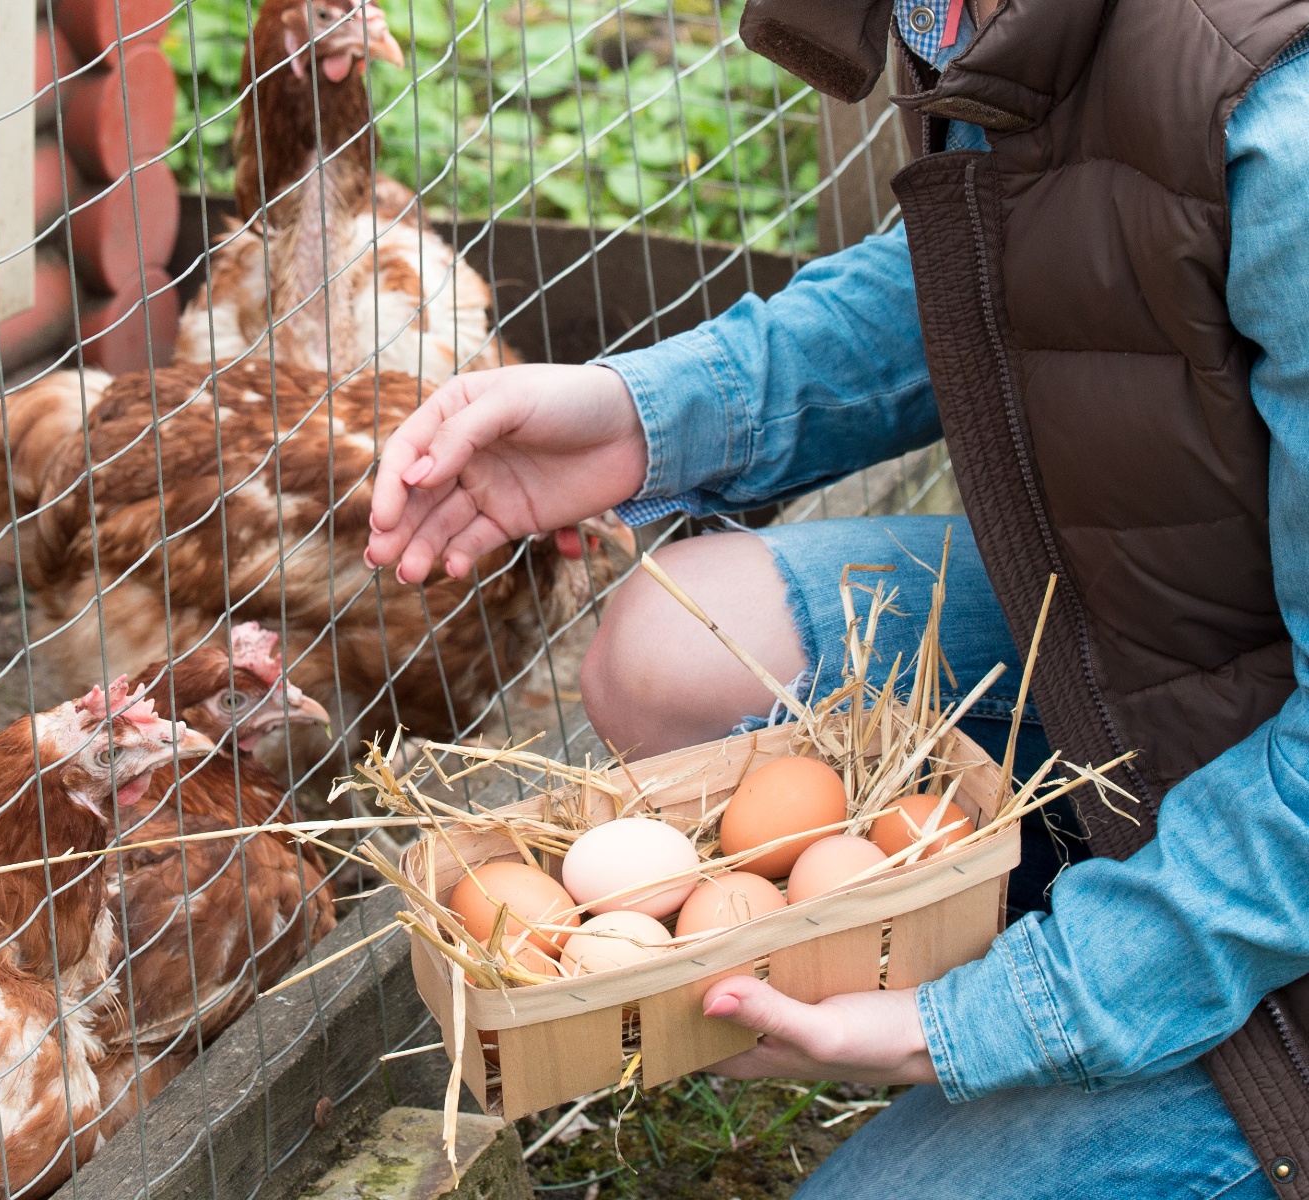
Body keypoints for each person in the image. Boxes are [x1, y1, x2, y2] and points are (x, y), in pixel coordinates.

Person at [364, 0, 1309, 1193]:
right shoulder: (968, 15)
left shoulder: (1278, 112)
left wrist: (979, 1021)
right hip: (1187, 662)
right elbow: (1013, 267)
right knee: (677, 650)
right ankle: (1088, 934)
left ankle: (1145, 998)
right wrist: (639, 419)